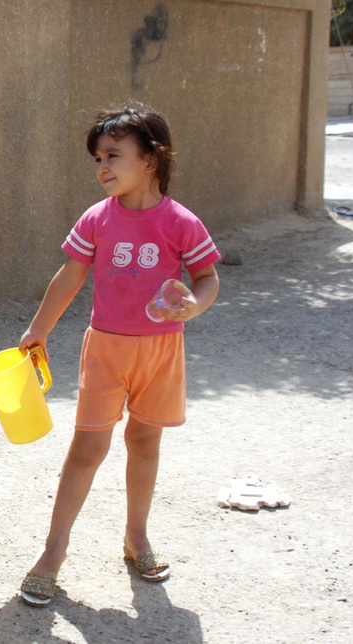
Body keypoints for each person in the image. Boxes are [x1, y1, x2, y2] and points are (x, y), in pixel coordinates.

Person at [16, 103, 220, 606]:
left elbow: (207, 277)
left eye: (113, 155)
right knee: (87, 448)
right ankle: (53, 551)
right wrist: (39, 329)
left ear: (151, 159)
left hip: (160, 352)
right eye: (97, 158)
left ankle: (137, 537)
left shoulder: (181, 222)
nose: (102, 167)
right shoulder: (96, 219)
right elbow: (70, 276)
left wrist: (194, 306)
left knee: (145, 443)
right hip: (105, 350)